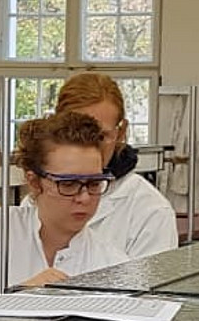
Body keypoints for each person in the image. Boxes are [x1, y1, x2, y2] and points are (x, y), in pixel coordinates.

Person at [0, 112, 126, 290]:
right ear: (34, 182)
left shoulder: (113, 265)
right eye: (68, 184)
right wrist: (20, 295)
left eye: (94, 183)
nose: (84, 198)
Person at [54, 72, 176, 258]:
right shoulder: (38, 199)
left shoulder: (150, 211)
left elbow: (150, 278)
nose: (88, 145)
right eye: (75, 133)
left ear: (121, 132)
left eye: (101, 136)